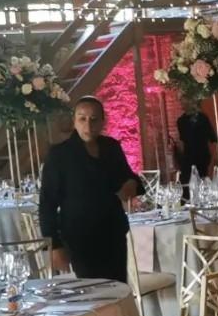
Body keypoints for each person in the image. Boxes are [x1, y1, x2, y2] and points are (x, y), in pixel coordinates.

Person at [39, 96, 142, 281]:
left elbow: (129, 177)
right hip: (79, 236)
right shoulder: (60, 154)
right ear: (74, 121)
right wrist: (54, 245)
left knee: (117, 287)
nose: (88, 125)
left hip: (113, 232)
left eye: (94, 119)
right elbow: (47, 203)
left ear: (103, 121)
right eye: (82, 118)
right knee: (93, 291)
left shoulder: (111, 147)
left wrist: (132, 184)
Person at [177, 97, 217, 182]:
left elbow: (213, 140)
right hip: (188, 159)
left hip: (203, 157)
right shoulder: (181, 121)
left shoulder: (203, 118)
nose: (181, 102)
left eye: (183, 99)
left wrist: (214, 158)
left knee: (204, 180)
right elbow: (182, 141)